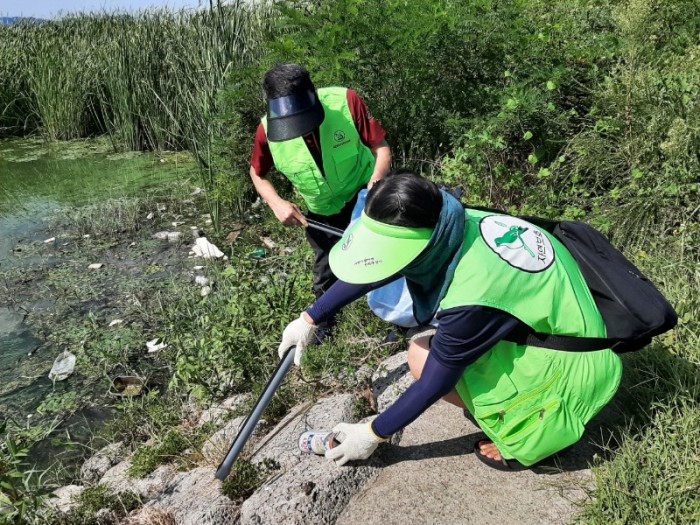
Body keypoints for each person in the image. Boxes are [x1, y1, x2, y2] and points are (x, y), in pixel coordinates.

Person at [277, 171, 622, 470]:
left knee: (422, 357)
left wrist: (371, 433)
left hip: (577, 368)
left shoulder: (474, 292)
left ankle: (528, 430)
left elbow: (434, 383)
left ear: (422, 243)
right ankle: (506, 397)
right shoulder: (452, 218)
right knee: (432, 348)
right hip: (564, 325)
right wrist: (312, 317)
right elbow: (376, 265)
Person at [250, 63, 391, 339]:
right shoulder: (267, 131)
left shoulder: (345, 102)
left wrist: (375, 186)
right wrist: (277, 203)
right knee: (326, 269)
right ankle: (324, 325)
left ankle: (397, 320)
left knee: (383, 258)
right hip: (321, 211)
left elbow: (381, 148)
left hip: (364, 196)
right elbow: (257, 173)